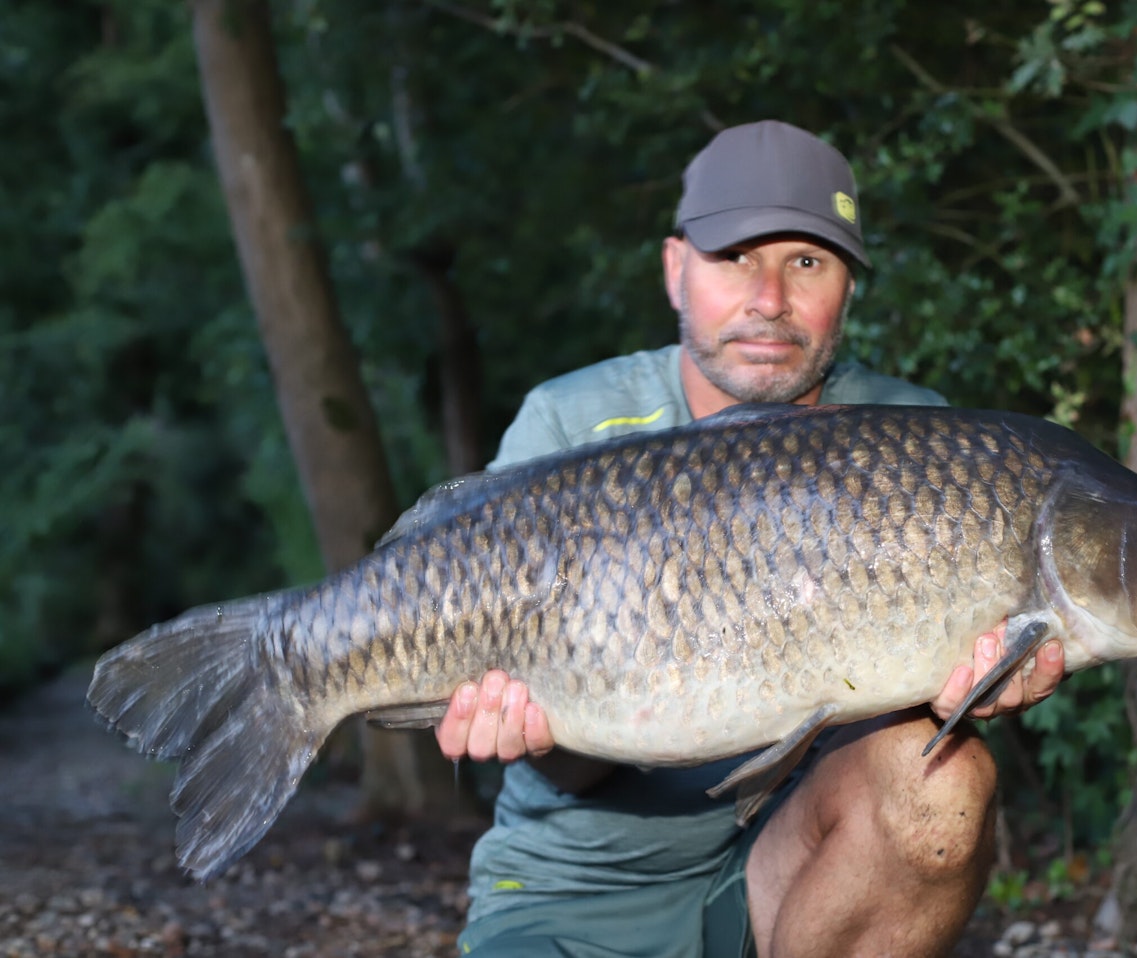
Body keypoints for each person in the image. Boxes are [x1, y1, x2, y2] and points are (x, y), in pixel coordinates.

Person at [434, 120, 1066, 958]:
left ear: (848, 284)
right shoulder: (571, 424)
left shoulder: (919, 438)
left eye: (806, 262)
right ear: (674, 270)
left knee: (942, 780)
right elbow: (564, 766)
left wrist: (976, 686)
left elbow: (918, 718)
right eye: (735, 257)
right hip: (581, 881)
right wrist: (531, 724)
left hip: (801, 867)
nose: (769, 298)